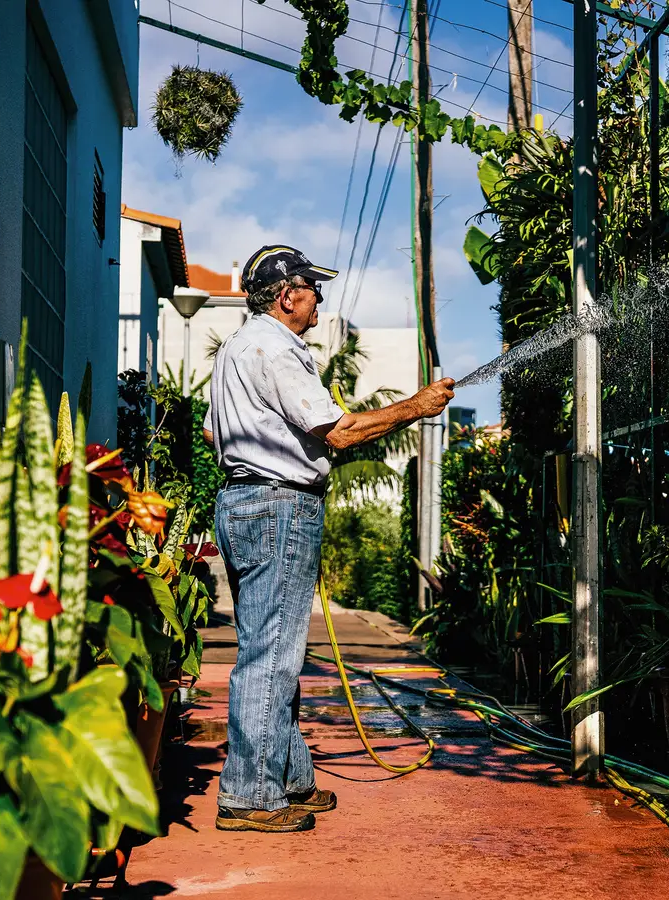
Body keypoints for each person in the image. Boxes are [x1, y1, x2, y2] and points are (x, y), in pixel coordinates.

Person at [202, 245, 455, 833]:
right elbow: (338, 432)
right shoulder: (276, 348)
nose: (320, 297)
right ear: (287, 295)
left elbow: (222, 431)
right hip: (278, 504)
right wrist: (416, 407)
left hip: (244, 502)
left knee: (274, 647)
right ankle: (248, 796)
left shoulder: (238, 348)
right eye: (312, 287)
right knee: (271, 654)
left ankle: (288, 778)